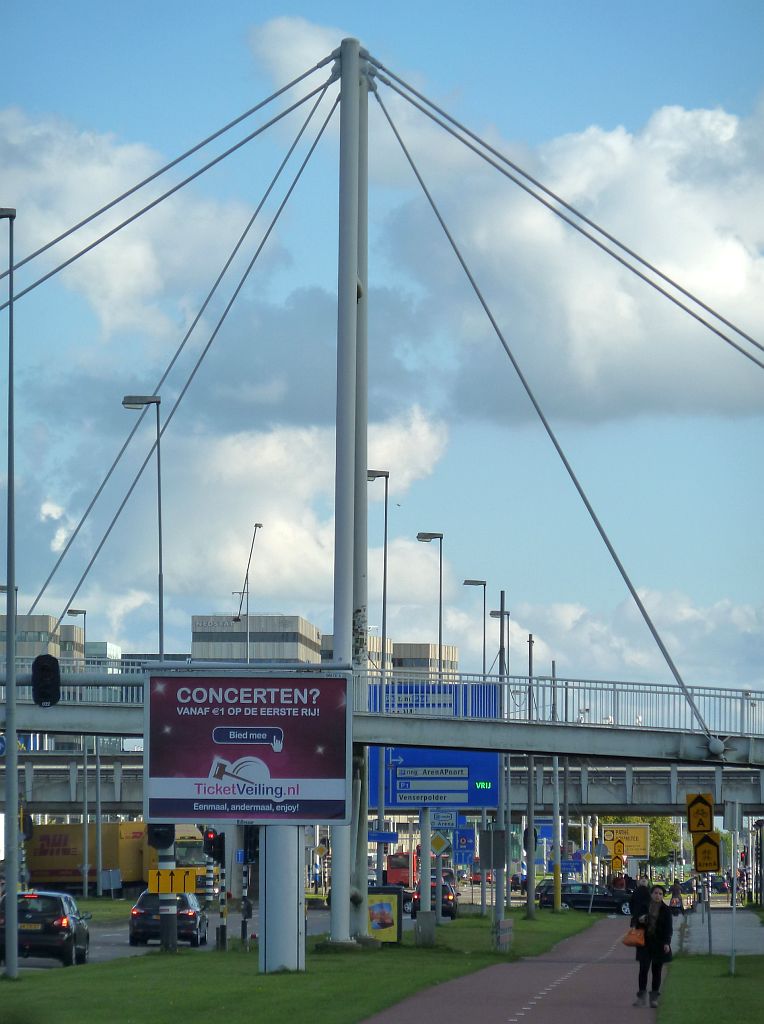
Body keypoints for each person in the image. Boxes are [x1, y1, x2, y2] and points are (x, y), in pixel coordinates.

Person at [632, 884, 673, 1009]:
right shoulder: (644, 907)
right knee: (643, 969)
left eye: (660, 894)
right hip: (644, 943)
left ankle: (654, 998)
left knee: (657, 971)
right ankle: (641, 997)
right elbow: (634, 921)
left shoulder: (666, 910)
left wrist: (667, 943)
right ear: (651, 894)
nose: (658, 896)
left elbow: (668, 928)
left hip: (659, 944)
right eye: (655, 893)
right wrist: (640, 920)